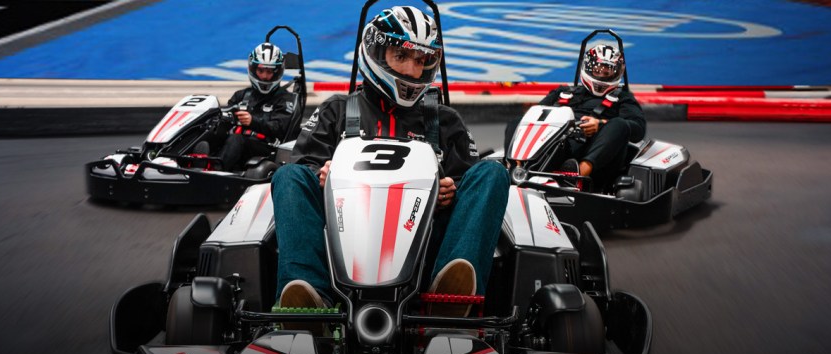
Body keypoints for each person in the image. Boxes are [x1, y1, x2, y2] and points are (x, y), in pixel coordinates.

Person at [271, 5, 509, 318]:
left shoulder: (445, 120)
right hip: (341, 242)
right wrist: (321, 174)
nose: (412, 71)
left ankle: (449, 297)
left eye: (421, 60)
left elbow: (470, 186)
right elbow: (304, 166)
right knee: (288, 176)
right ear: (375, 53)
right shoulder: (337, 111)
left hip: (424, 250)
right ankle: (310, 298)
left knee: (493, 173)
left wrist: (452, 190)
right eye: (402, 56)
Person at [506, 43, 646, 188]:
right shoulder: (563, 92)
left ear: (617, 73)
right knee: (517, 122)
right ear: (587, 68)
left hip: (591, 151)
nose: (602, 76)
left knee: (619, 124)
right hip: (555, 144)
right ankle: (514, 166)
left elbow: (638, 130)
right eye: (598, 71)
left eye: (607, 73)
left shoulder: (623, 98)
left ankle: (578, 174)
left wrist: (600, 124)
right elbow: (535, 113)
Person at [202, 42, 297, 171]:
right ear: (253, 69)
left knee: (236, 139)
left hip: (266, 148)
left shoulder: (285, 100)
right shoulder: (241, 96)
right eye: (261, 70)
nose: (264, 76)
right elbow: (225, 117)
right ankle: (193, 160)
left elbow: (279, 128)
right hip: (235, 143)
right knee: (209, 131)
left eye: (269, 71)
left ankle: (215, 171)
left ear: (277, 72)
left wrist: (253, 121)